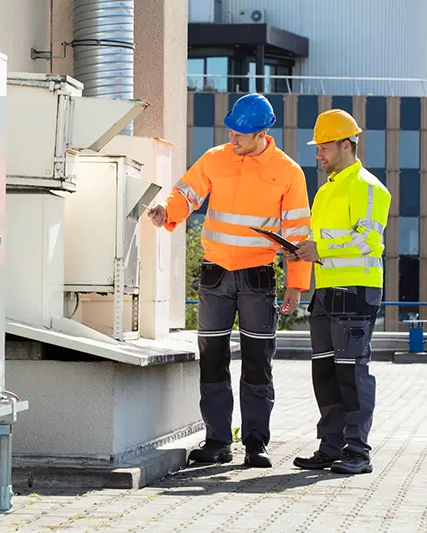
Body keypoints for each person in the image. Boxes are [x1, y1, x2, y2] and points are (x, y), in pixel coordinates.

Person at [148, 94, 311, 468]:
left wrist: (295, 285)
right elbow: (186, 194)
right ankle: (218, 441)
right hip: (215, 275)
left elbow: (299, 234)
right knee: (212, 361)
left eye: (242, 134)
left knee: (257, 363)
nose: (234, 138)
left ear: (263, 132)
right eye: (232, 131)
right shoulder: (215, 158)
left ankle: (256, 445)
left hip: (258, 278)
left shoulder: (288, 172)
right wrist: (166, 211)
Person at [285, 109, 392, 475]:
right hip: (327, 292)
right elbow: (325, 241)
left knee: (351, 373)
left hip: (356, 293)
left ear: (346, 145)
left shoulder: (368, 187)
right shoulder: (327, 190)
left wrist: (321, 249)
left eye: (324, 147)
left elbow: (369, 241)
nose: (318, 154)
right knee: (326, 374)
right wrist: (301, 249)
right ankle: (330, 447)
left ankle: (358, 452)